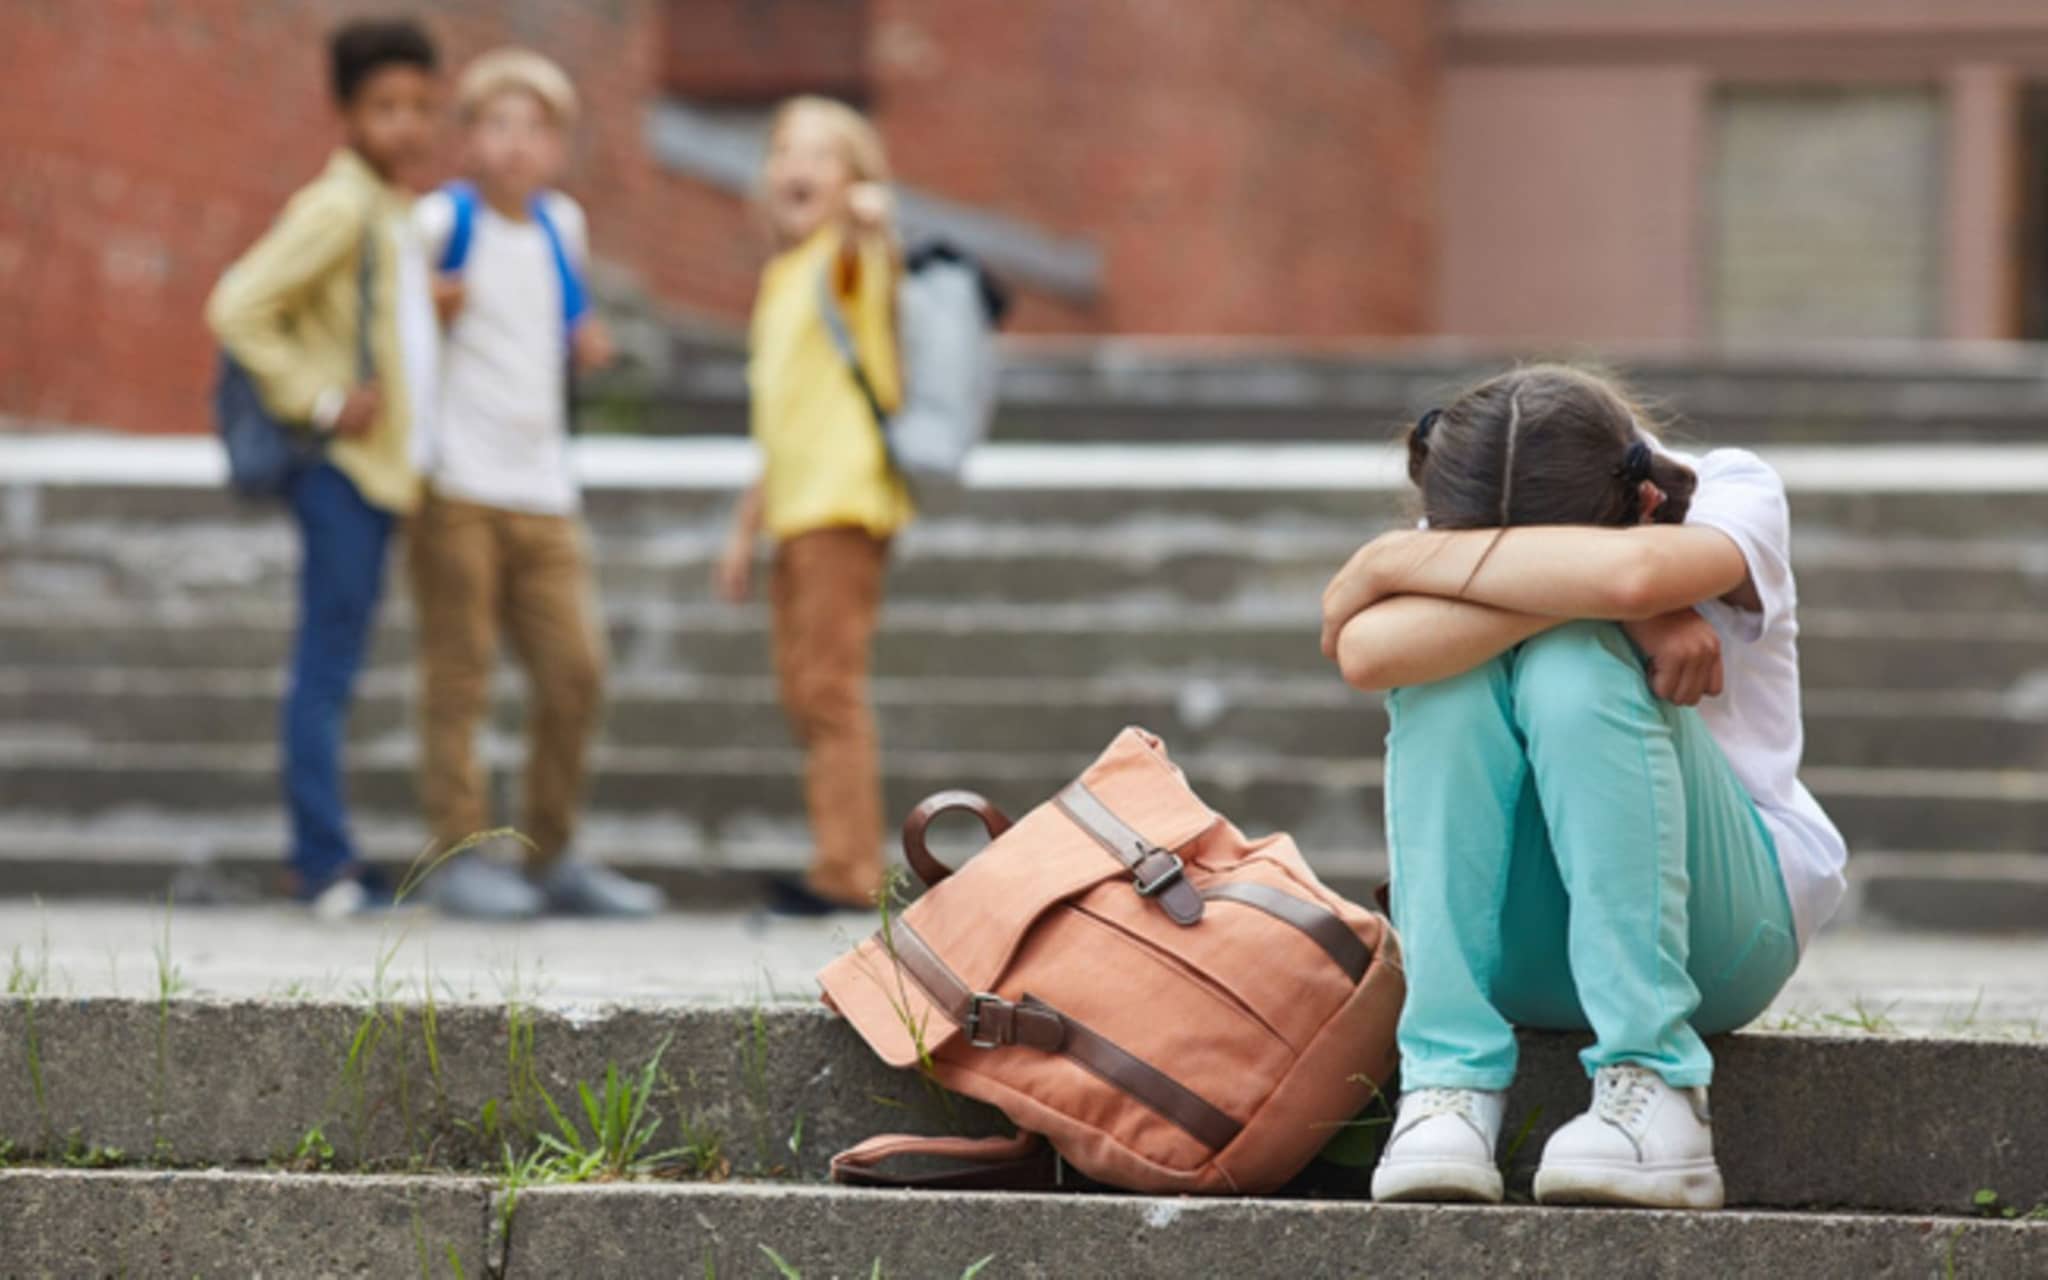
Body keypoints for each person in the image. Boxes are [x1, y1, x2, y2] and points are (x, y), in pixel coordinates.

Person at [1320, 365, 1846, 1210]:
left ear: (1642, 506)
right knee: (1440, 682)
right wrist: (1608, 596)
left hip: (1722, 935)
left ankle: (1657, 1083)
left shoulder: (1731, 491)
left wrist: (1397, 562)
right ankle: (1446, 1086)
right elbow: (1369, 654)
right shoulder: (1482, 501)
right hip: (1527, 952)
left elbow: (1635, 579)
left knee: (1572, 661)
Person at [407, 50, 662, 919]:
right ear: (470, 137)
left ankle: (552, 850)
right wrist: (424, 312)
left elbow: (562, 316)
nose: (517, 144)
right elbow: (401, 336)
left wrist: (587, 339)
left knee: (576, 671)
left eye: (536, 127)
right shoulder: (442, 222)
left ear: (558, 146)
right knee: (461, 674)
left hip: (545, 490)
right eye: (498, 123)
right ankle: (460, 854)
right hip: (458, 487)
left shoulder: (564, 225)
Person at [207, 18, 441, 919]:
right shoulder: (340, 204)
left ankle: (326, 853)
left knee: (336, 661)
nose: (408, 125)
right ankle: (320, 862)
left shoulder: (389, 208)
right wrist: (319, 397)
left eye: (423, 106)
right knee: (326, 667)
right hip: (340, 472)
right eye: (386, 106)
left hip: (382, 476)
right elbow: (237, 305)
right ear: (345, 112)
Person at [715, 97, 908, 916]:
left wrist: (870, 218)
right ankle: (840, 855)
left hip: (842, 502)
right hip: (793, 508)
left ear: (853, 178)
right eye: (784, 150)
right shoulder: (780, 277)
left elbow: (875, 247)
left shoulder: (844, 261)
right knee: (805, 691)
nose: (798, 167)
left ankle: (848, 869)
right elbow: (780, 418)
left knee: (828, 689)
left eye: (822, 155)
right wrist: (744, 528)